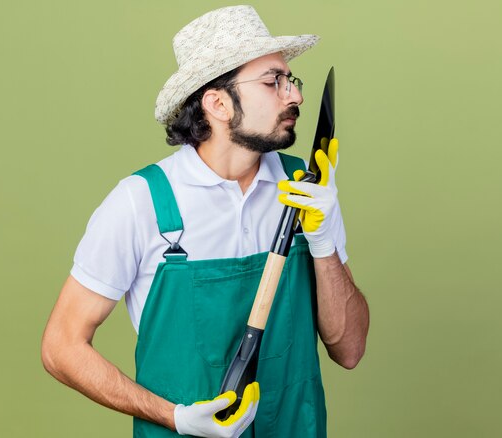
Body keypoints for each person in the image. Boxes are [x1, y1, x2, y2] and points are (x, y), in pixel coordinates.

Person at [41, 5, 369, 437]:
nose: (295, 96)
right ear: (217, 103)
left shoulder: (307, 192)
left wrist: (323, 242)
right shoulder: (142, 203)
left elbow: (349, 349)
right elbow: (61, 347)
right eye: (274, 82)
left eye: (291, 81)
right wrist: (172, 416)